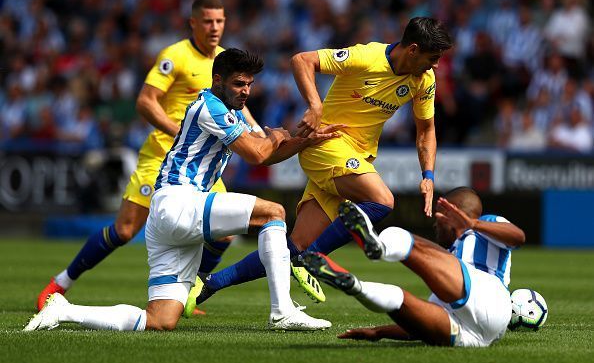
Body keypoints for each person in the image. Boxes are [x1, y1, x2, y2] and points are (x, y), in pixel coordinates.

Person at [24, 48, 337, 332]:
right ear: (218, 80)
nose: (246, 91)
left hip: (169, 217)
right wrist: (277, 136)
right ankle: (282, 311)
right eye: (240, 83)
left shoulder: (227, 110)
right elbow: (258, 153)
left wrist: (303, 141)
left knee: (160, 320)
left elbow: (266, 155)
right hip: (180, 201)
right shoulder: (210, 107)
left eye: (250, 85)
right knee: (274, 213)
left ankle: (65, 311)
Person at [192, 17, 453, 303]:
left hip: (355, 155)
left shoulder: (423, 79)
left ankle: (211, 284)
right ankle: (312, 261)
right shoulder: (366, 57)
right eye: (433, 58)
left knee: (294, 246)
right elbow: (302, 60)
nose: (437, 65)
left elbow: (426, 130)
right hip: (326, 144)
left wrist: (428, 175)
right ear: (413, 49)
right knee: (382, 201)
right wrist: (315, 105)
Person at [35, 0, 265, 312]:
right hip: (160, 156)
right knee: (126, 230)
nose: (215, 27)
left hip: (199, 165)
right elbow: (145, 101)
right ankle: (60, 283)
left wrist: (259, 133)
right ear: (193, 23)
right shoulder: (175, 55)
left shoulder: (224, 60)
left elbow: (240, 107)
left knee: (224, 235)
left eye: (220, 20)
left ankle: (189, 290)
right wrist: (181, 132)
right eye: (208, 21)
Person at [302, 187, 525, 347]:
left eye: (439, 218)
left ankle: (379, 247)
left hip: (489, 295)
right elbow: (417, 329)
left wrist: (473, 223)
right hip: (476, 336)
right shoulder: (448, 258)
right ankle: (355, 286)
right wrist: (379, 332)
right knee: (399, 300)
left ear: (451, 213)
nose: (436, 225)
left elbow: (518, 237)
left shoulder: (484, 225)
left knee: (404, 238)